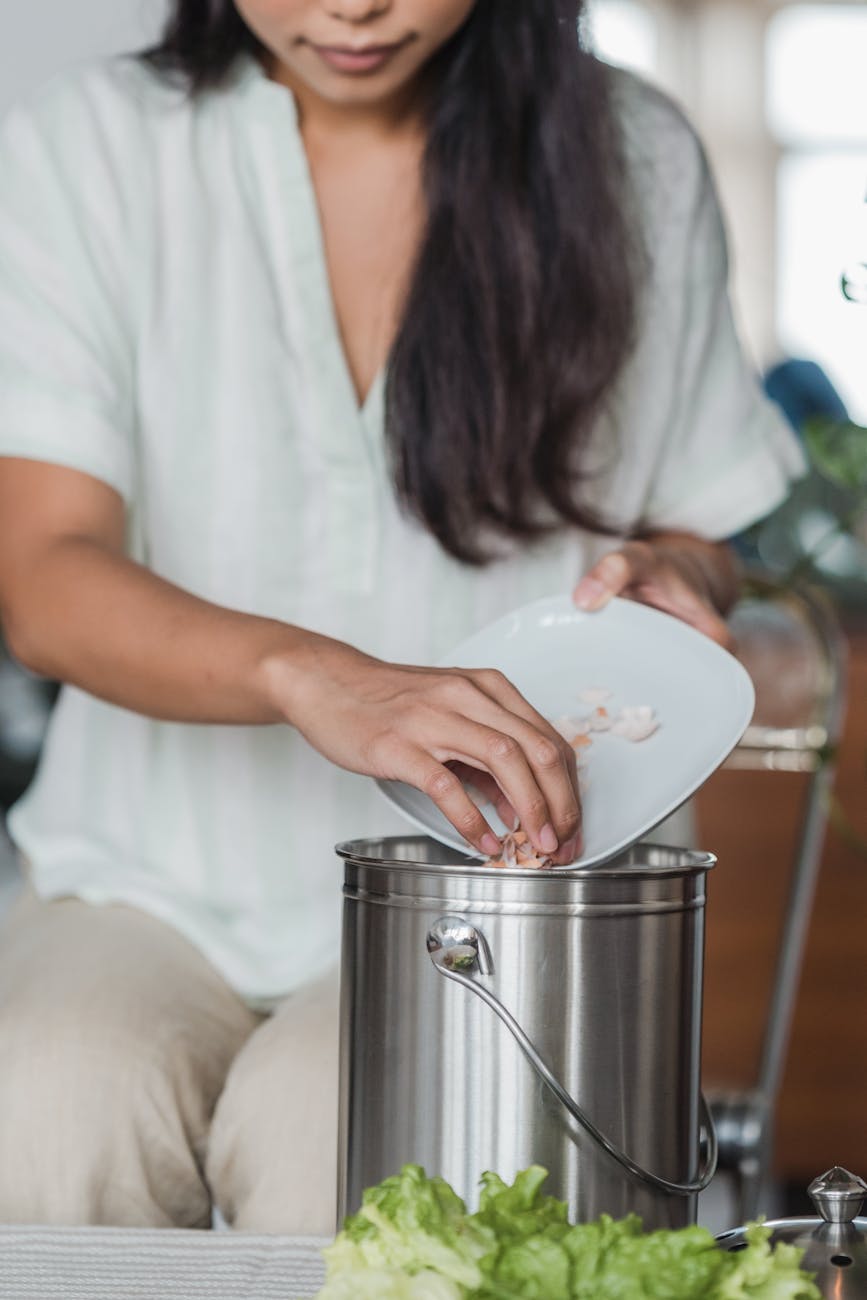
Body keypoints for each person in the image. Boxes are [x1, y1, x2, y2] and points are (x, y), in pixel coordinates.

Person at [0, 0, 804, 1233]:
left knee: (361, 1137)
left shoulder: (634, 154)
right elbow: (42, 575)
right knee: (49, 1100)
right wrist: (316, 675)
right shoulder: (92, 142)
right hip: (143, 872)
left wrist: (680, 577)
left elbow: (699, 528)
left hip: (499, 894)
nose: (353, 6)